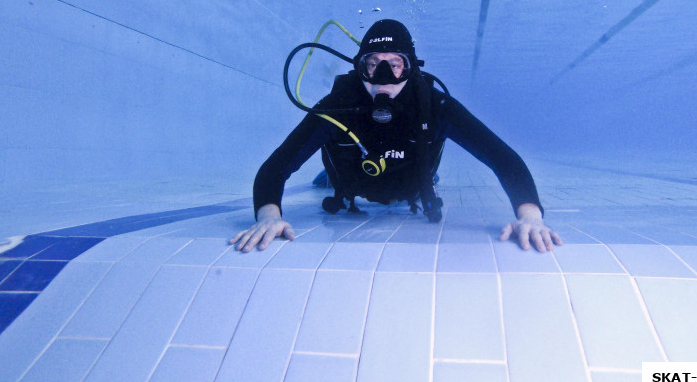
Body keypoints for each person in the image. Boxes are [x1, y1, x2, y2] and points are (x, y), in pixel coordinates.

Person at [230, 19, 562, 253]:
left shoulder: (435, 106)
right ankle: (326, 177)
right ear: (359, 68)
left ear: (411, 68)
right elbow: (277, 165)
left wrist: (529, 215)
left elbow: (501, 156)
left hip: (413, 185)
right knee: (327, 173)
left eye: (396, 64)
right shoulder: (337, 107)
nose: (384, 76)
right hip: (350, 181)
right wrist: (269, 216)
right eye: (372, 64)